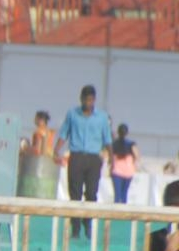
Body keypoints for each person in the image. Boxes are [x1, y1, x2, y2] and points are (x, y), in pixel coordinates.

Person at [57, 84, 112, 238]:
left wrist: (111, 157)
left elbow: (107, 138)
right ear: (81, 99)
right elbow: (63, 133)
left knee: (92, 193)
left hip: (94, 158)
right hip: (76, 156)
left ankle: (87, 223)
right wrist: (56, 150)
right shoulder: (72, 114)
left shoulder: (101, 117)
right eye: (85, 99)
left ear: (94, 100)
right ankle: (75, 227)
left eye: (91, 100)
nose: (88, 103)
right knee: (74, 192)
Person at [110, 124, 140, 204]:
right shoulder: (131, 144)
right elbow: (137, 156)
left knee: (117, 195)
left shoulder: (114, 144)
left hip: (117, 171)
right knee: (124, 194)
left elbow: (111, 157)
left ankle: (116, 213)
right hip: (128, 171)